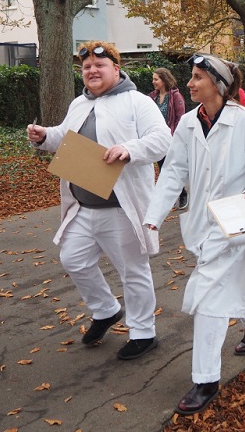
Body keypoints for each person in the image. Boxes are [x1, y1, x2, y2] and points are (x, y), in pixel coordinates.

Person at [143, 53, 245, 416]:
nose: (190, 83)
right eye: (191, 76)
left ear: (216, 84)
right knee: (227, 283)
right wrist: (153, 217)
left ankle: (206, 379)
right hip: (200, 225)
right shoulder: (187, 123)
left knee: (209, 298)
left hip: (234, 223)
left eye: (198, 77)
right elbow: (173, 173)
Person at [27, 41, 172, 361]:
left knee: (133, 270)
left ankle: (143, 333)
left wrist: (129, 149)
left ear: (116, 69)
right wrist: (43, 136)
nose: (91, 71)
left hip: (122, 207)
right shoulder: (79, 104)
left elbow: (162, 140)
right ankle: (106, 310)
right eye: (86, 67)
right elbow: (64, 138)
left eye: (99, 65)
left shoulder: (137, 102)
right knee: (73, 257)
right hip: (83, 204)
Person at [149, 68, 188, 209]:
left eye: (156, 79)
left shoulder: (176, 97)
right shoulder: (151, 98)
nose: (153, 82)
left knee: (170, 168)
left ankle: (182, 194)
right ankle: (172, 197)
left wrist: (174, 137)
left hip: (171, 139)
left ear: (164, 80)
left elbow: (180, 118)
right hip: (157, 139)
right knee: (163, 169)